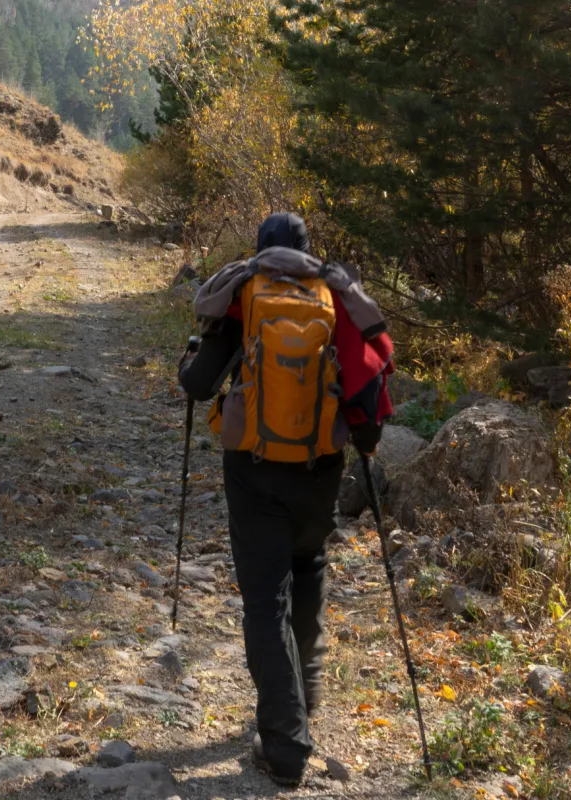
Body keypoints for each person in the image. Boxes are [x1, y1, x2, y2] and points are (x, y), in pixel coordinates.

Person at [179, 213, 394, 787]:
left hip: (253, 469)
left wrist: (190, 359)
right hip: (319, 470)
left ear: (260, 250)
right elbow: (369, 399)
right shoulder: (333, 293)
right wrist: (364, 444)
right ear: (306, 250)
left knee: (264, 597)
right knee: (309, 567)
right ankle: (307, 698)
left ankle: (285, 743)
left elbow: (200, 384)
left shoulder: (244, 291)